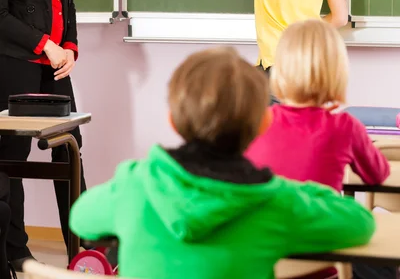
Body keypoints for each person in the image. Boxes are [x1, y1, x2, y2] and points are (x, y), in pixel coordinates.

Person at [70, 47, 374, 279]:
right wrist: (295, 188)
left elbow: (81, 219)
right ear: (263, 124)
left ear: (172, 121)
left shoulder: (136, 183)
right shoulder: (277, 202)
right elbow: (360, 224)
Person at [245, 19, 391, 279]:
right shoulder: (345, 126)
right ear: (337, 71)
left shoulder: (256, 122)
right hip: (321, 262)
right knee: (379, 260)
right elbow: (377, 176)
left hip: (262, 258)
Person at [0, 0, 86, 270]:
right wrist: (44, 45)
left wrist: (68, 46)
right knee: (10, 159)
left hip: (56, 66)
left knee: (69, 154)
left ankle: (82, 252)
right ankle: (15, 251)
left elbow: (65, 2)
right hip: (16, 65)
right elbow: (0, 15)